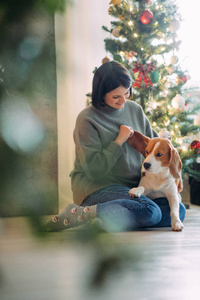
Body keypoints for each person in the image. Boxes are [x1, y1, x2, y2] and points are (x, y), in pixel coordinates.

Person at [46, 60, 186, 232]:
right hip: (98, 188)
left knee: (177, 210)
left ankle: (108, 220)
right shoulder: (87, 119)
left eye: (126, 93)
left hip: (133, 188)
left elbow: (158, 148)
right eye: (115, 97)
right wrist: (118, 141)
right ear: (101, 93)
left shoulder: (135, 110)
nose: (123, 101)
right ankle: (82, 213)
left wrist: (176, 174)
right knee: (151, 212)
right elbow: (94, 170)